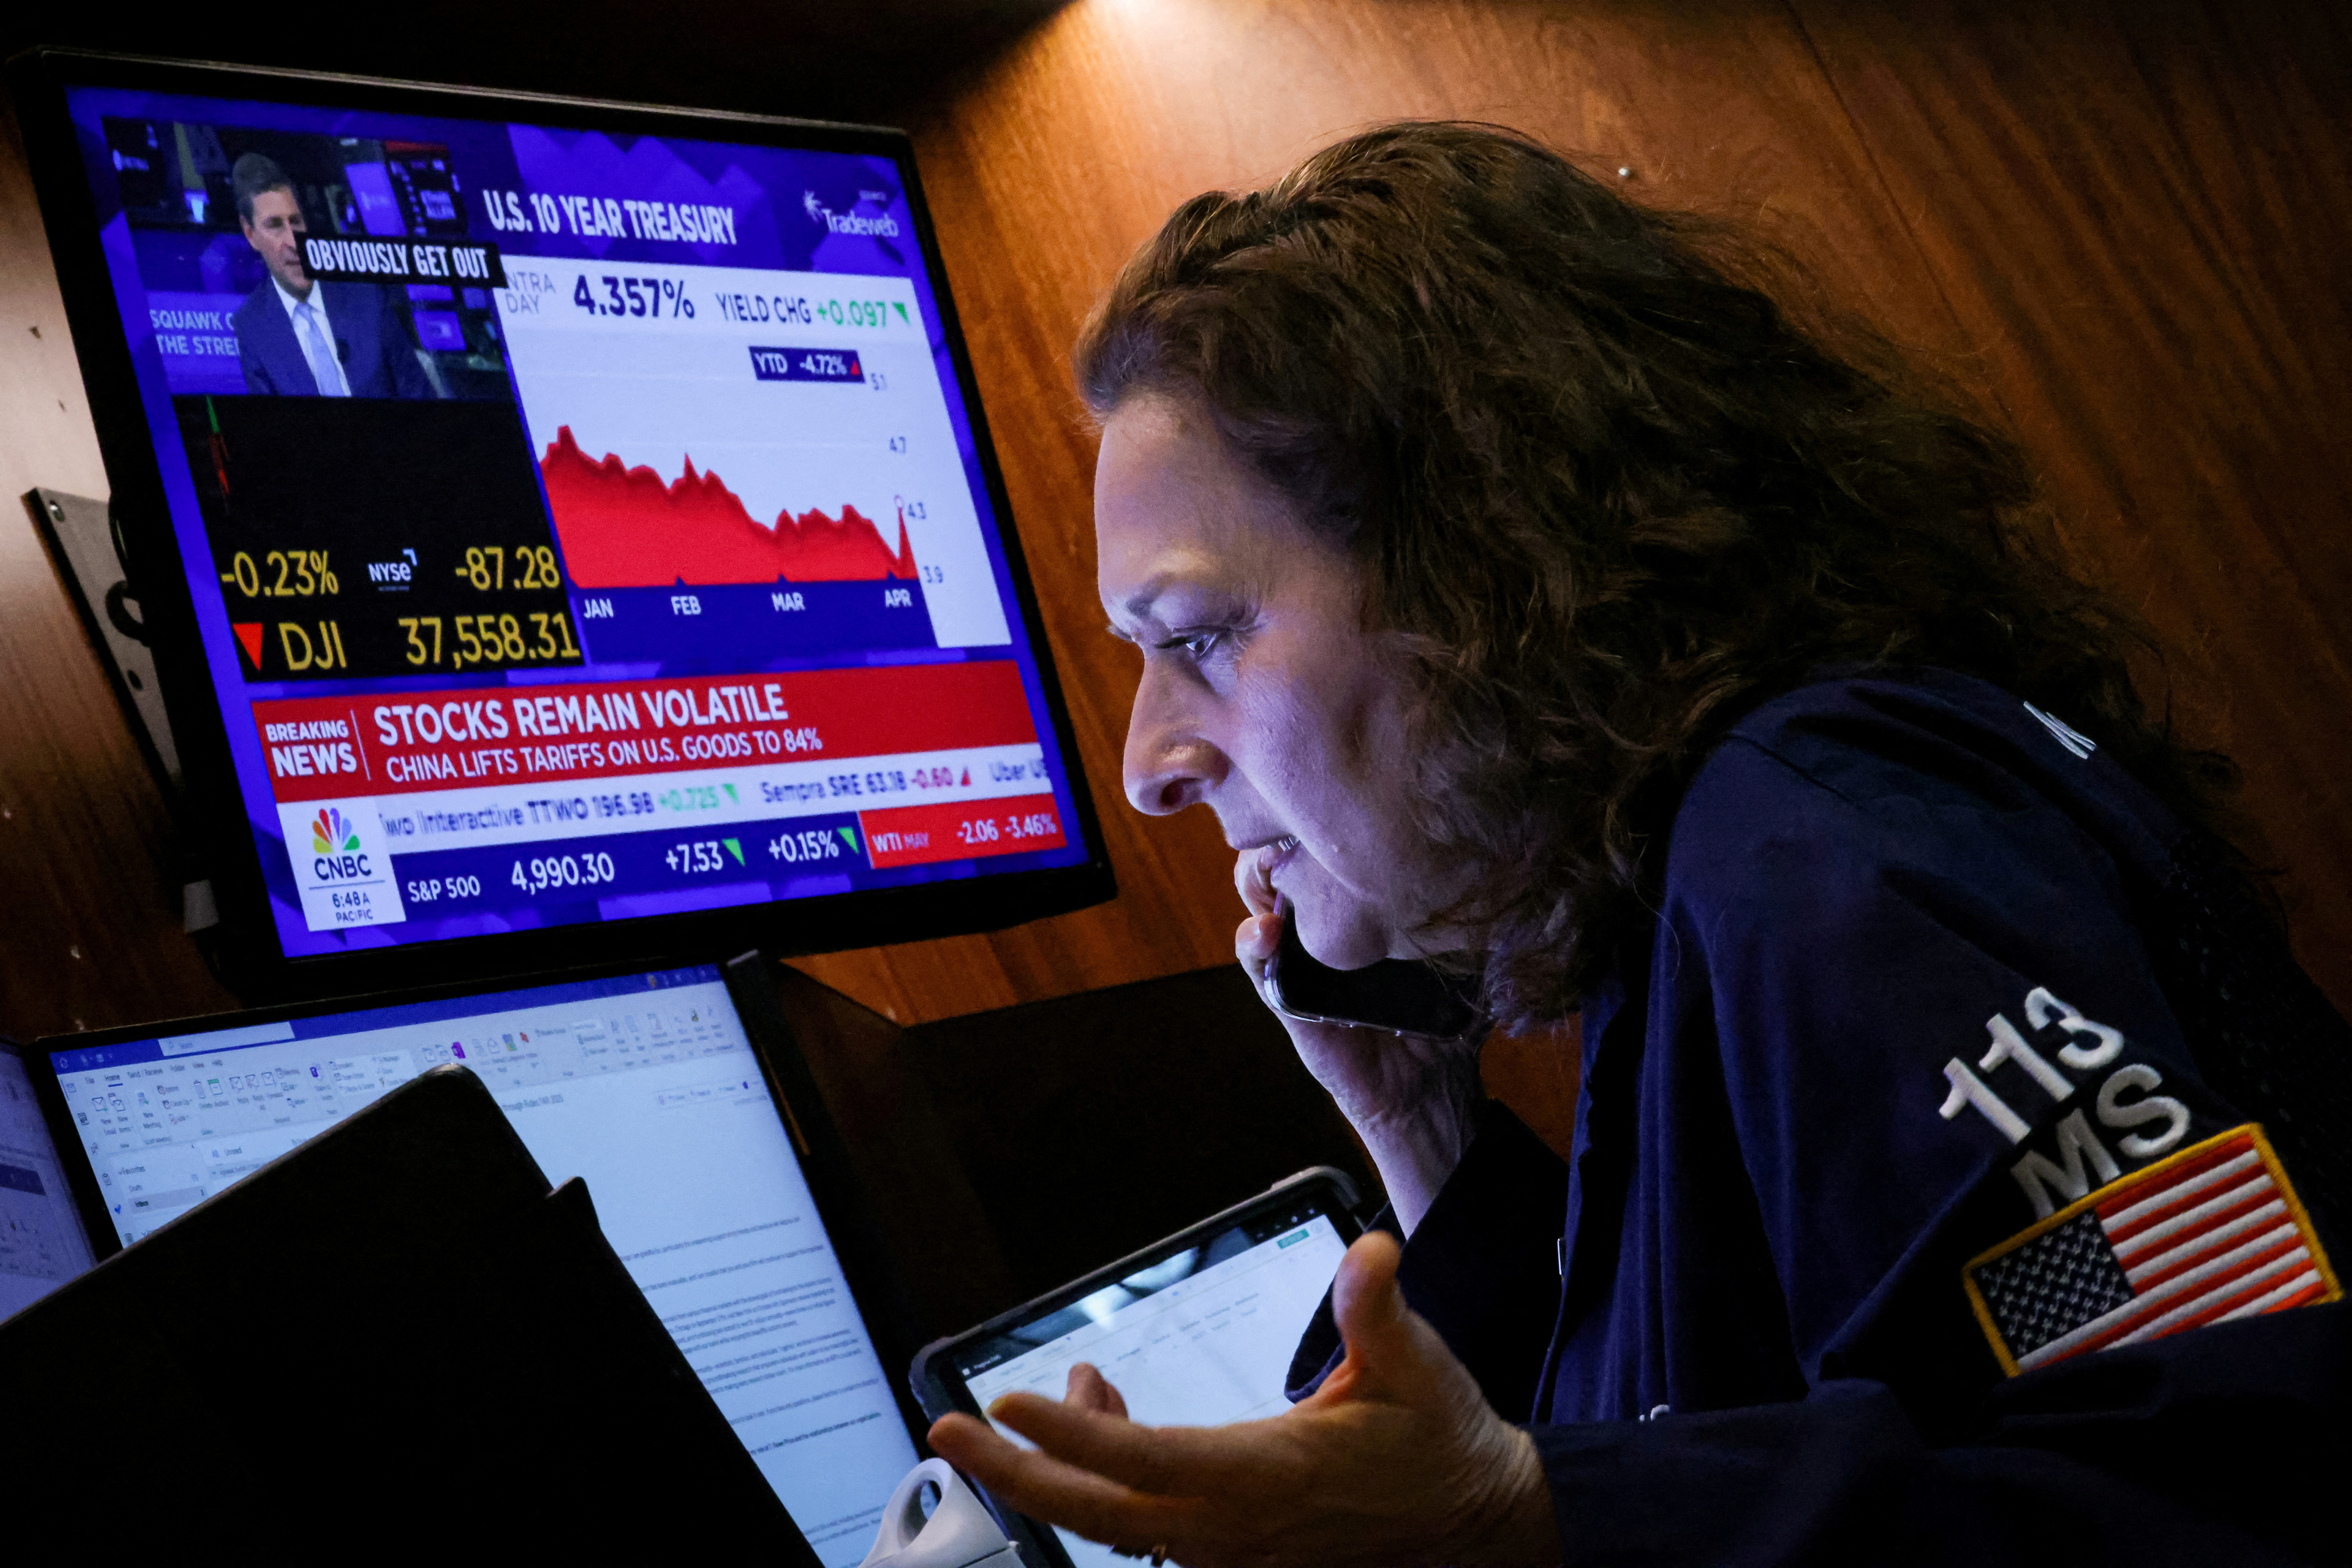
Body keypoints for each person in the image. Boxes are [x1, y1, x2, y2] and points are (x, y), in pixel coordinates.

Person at [927, 124, 2352, 1565]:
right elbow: (1736, 1400)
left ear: (1478, 562)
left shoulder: (1831, 861)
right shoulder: (1692, 872)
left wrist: (1527, 1518)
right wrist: (1429, 1136)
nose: (1150, 762)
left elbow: (2226, 1480)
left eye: (1203, 637)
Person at [227, 152, 434, 400]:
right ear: (250, 234)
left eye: (296, 222)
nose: (294, 241)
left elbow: (421, 398)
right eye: (275, 226)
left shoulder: (368, 300)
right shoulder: (252, 327)